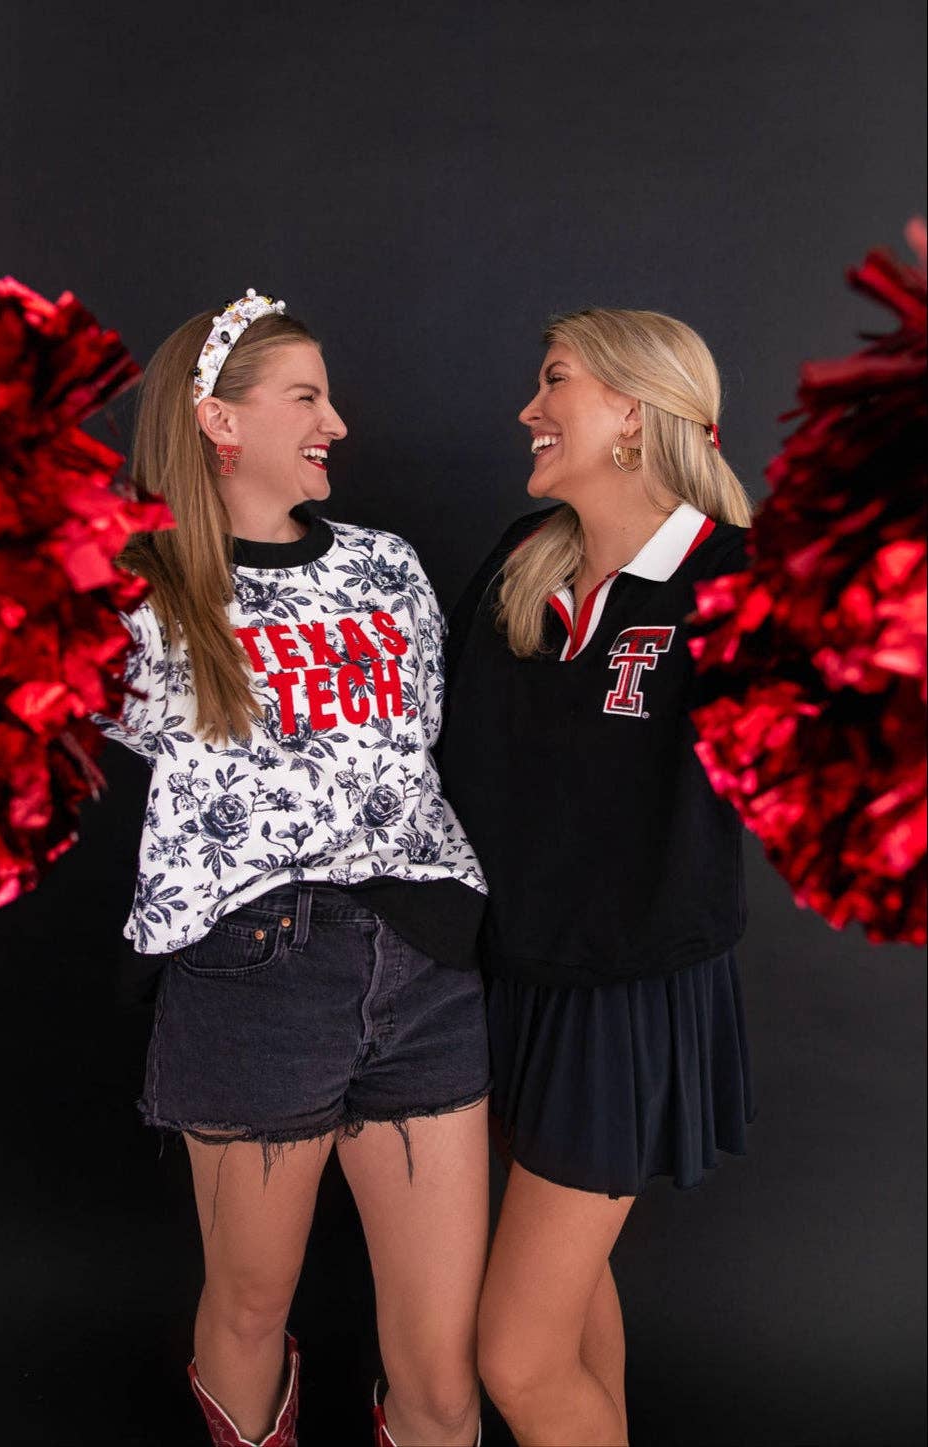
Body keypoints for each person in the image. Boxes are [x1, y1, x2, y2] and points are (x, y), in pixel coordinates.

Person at [97, 290, 489, 1447]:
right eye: (306, 397)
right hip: (253, 975)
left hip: (424, 965)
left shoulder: (386, 566)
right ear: (218, 420)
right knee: (251, 1305)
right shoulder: (141, 589)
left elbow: (422, 744)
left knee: (441, 1362)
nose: (336, 423)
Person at [438, 308, 755, 1447]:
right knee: (562, 1317)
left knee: (513, 1359)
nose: (528, 407)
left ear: (631, 409)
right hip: (511, 974)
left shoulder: (733, 578)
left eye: (554, 380)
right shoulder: (522, 561)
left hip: (624, 989)